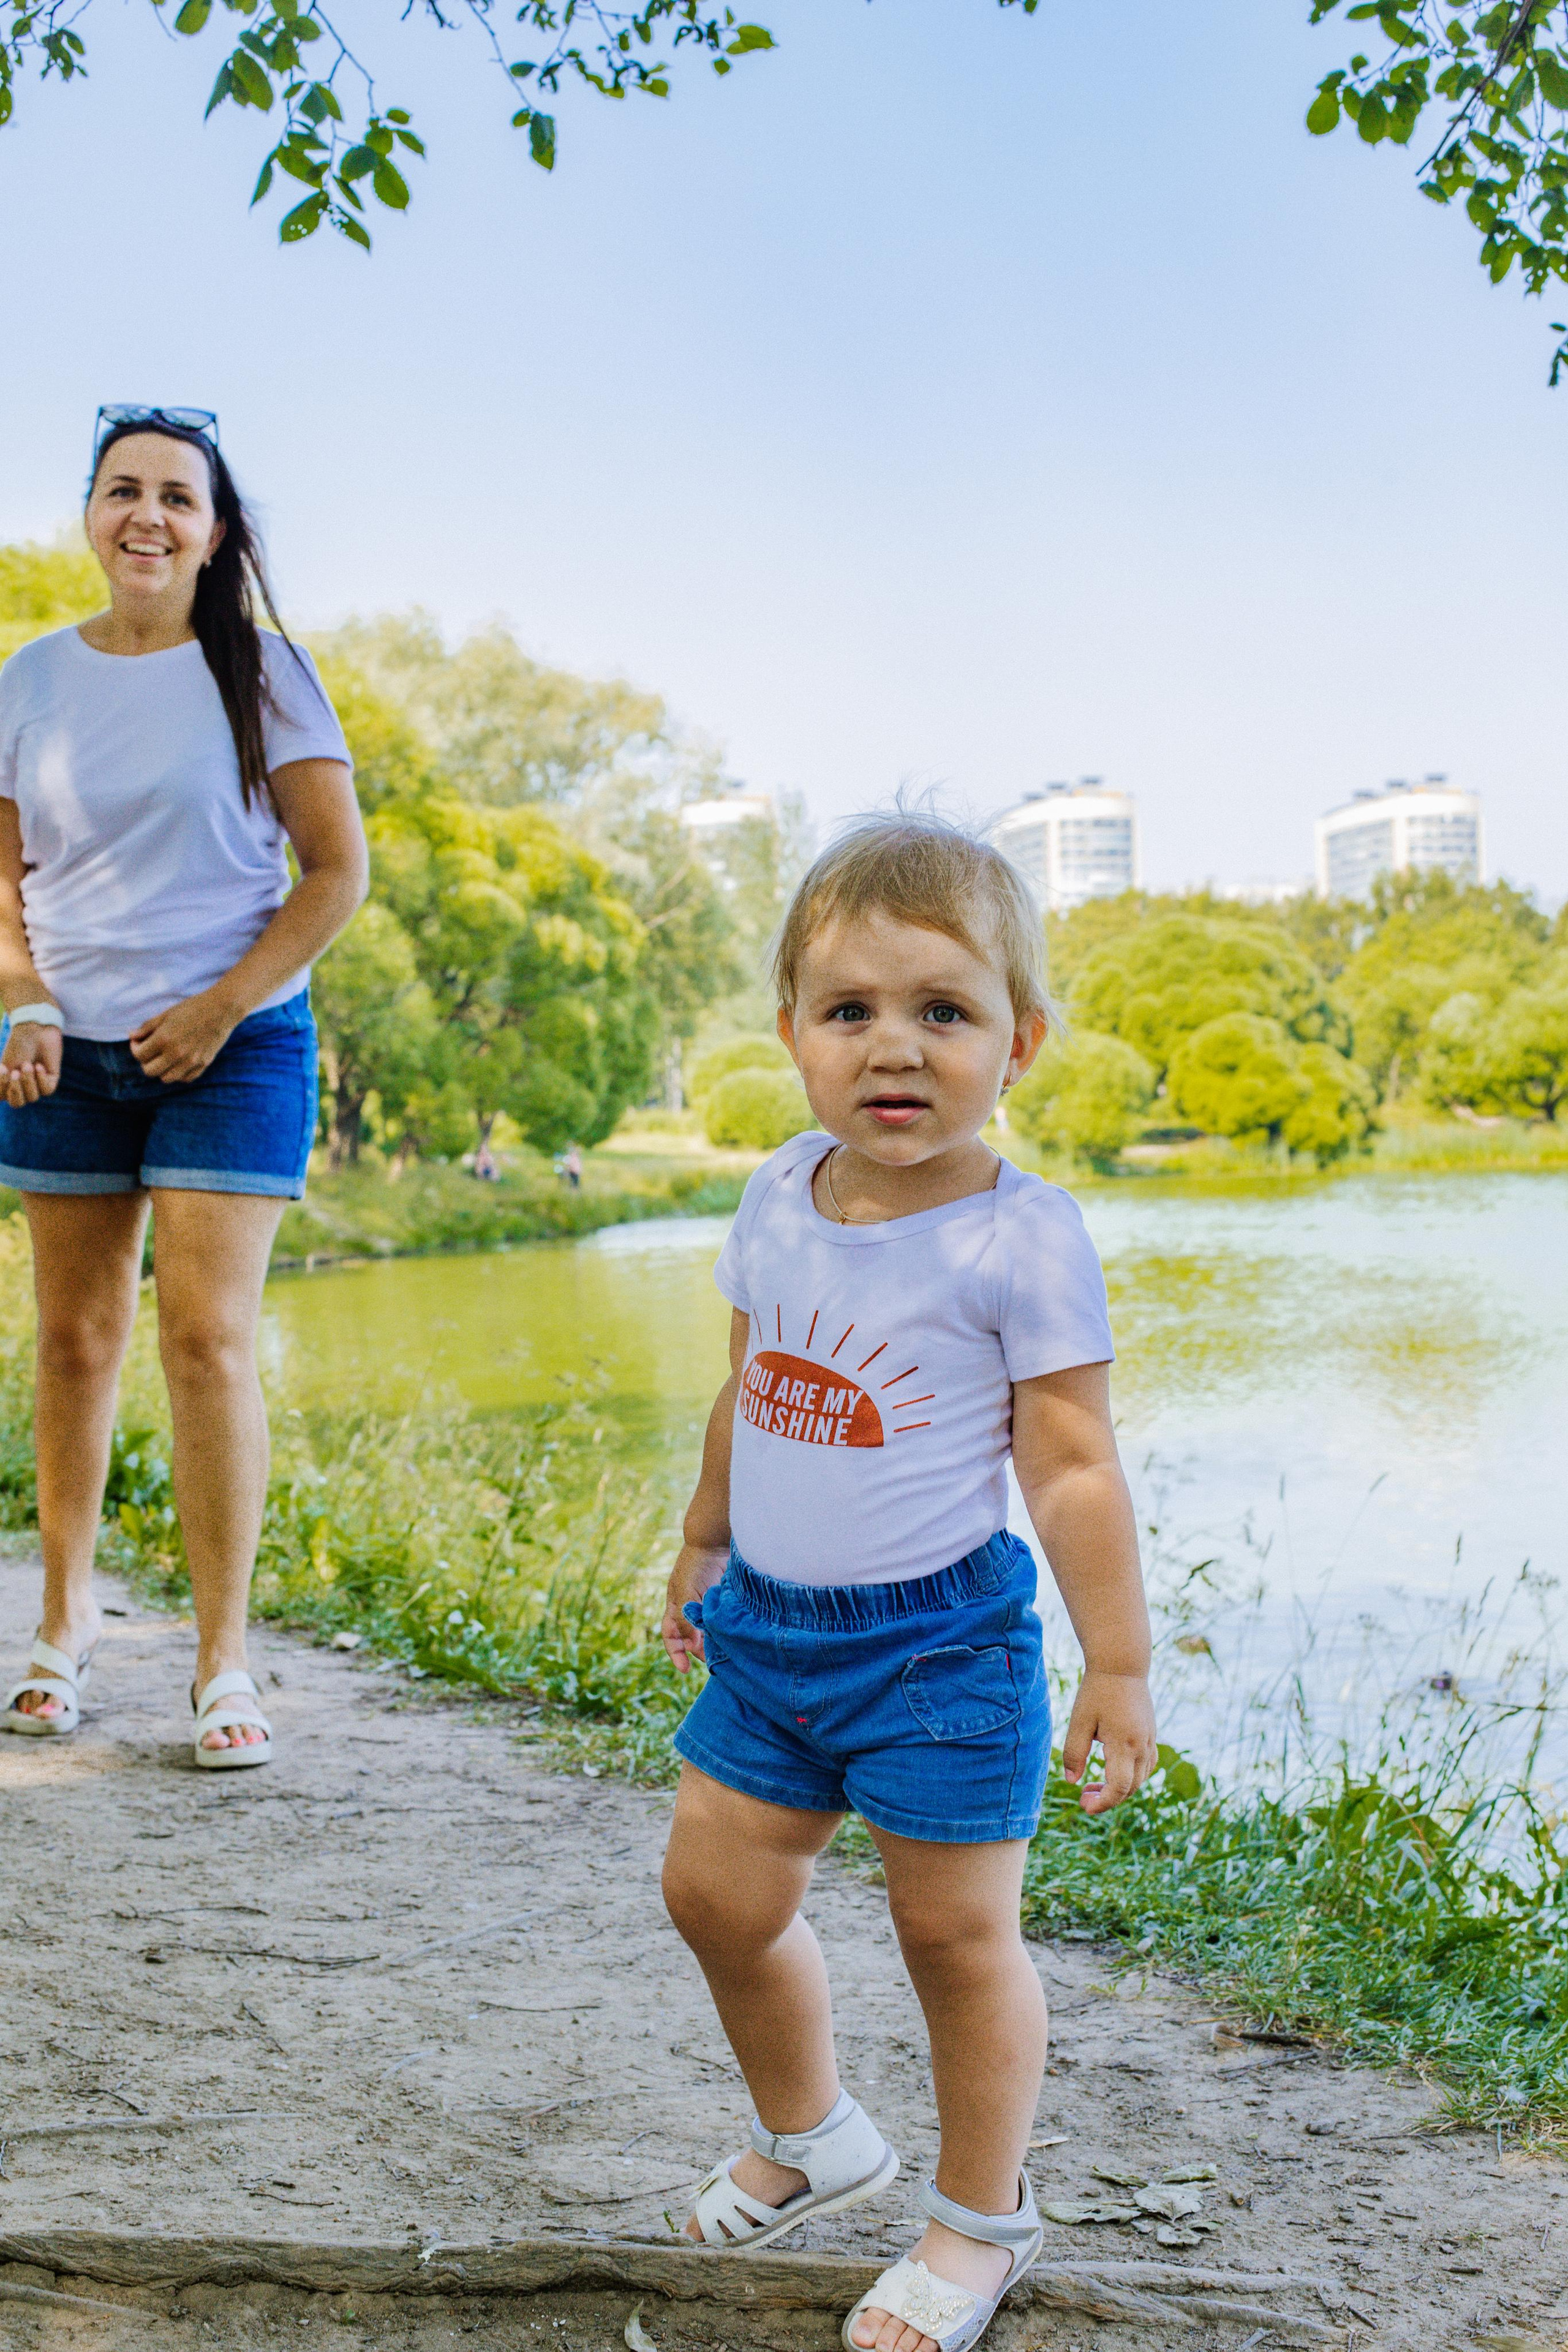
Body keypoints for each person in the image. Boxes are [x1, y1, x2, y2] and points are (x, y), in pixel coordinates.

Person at [659, 813, 1156, 2352]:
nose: (896, 1047)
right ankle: (814, 2134)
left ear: (1020, 1043)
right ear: (792, 1034)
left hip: (941, 1649)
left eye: (943, 1010)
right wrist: (703, 1538)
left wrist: (1117, 1664)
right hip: (768, 1638)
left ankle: (976, 2219)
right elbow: (749, 1388)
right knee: (715, 1893)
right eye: (851, 1010)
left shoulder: (1019, 1238)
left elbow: (1070, 1466)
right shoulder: (773, 1196)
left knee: (953, 1938)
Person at [0, 405, 367, 1769]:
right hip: (65, 1053)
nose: (146, 515)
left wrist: (221, 1006)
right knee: (73, 1341)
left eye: (175, 497)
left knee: (206, 1340)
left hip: (234, 1040)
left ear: (215, 533)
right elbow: (1, 883)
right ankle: (64, 1624)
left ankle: (223, 1661)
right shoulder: (28, 679)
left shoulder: (263, 672)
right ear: (89, 516)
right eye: (121, 491)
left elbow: (335, 873)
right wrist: (24, 1004)